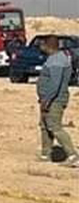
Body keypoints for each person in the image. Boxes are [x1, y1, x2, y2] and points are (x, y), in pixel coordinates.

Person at [36, 35, 78, 166]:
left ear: (48, 46)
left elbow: (55, 84)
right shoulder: (54, 58)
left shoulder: (57, 61)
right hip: (47, 99)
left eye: (42, 44)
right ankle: (46, 154)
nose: (40, 47)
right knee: (45, 126)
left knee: (54, 127)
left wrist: (47, 101)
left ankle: (72, 155)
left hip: (55, 100)